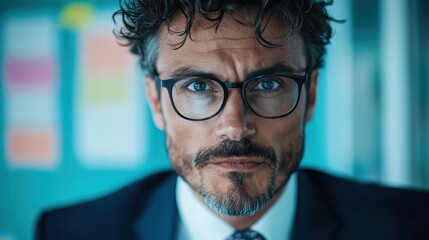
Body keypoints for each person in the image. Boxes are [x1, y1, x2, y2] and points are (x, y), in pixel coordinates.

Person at [35, 0, 429, 239]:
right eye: (196, 87)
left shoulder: (412, 227)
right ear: (156, 101)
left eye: (269, 83)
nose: (235, 126)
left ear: (311, 94)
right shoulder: (69, 233)